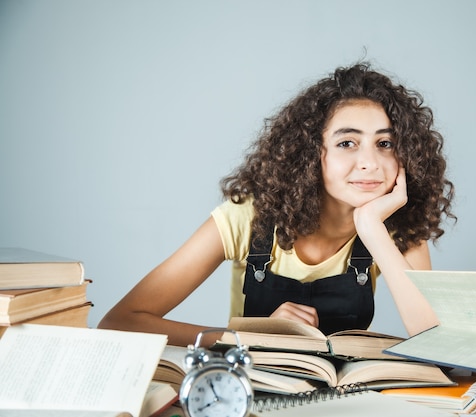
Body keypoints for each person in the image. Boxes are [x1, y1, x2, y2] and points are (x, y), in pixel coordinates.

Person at [98, 62, 455, 347]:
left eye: (386, 144)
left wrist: (373, 231)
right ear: (312, 153)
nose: (370, 162)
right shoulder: (246, 219)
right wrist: (244, 338)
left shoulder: (395, 226)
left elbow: (433, 340)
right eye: (347, 143)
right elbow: (120, 321)